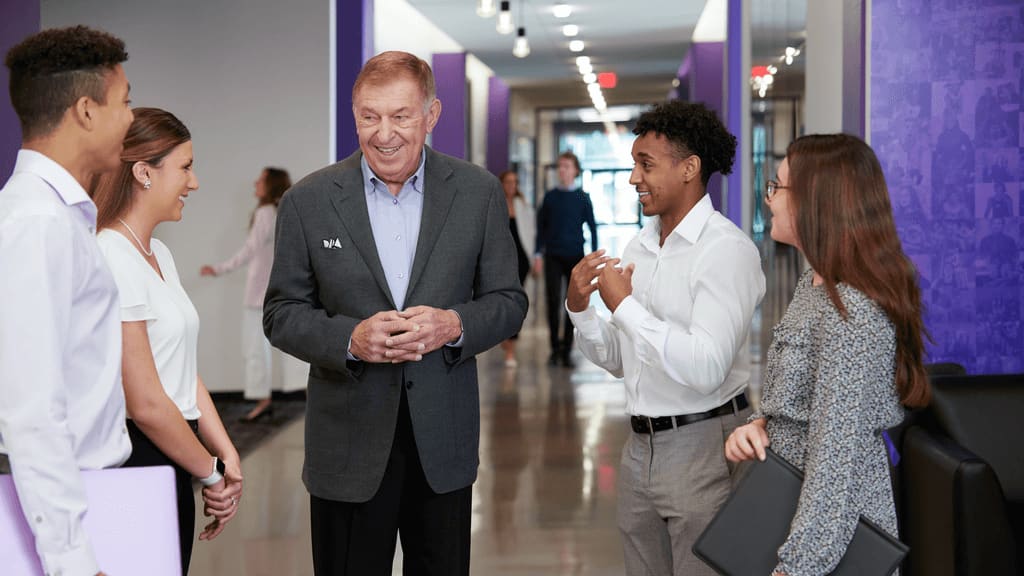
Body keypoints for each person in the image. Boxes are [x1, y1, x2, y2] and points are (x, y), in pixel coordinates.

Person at [262, 51, 528, 576]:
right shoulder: (308, 201)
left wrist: (455, 325)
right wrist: (349, 340)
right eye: (369, 116)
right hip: (347, 448)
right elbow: (282, 312)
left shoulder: (477, 194)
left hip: (442, 446)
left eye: (401, 116)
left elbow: (508, 301)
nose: (384, 133)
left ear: (431, 115)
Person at [567, 100, 765, 576]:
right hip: (639, 449)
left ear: (689, 169)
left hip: (704, 446)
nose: (634, 177)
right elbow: (621, 357)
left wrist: (625, 307)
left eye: (646, 165)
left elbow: (705, 367)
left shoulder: (726, 252)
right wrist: (580, 309)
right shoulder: (640, 245)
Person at [725, 133, 931, 576]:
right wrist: (760, 425)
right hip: (792, 516)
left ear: (815, 201)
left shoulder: (851, 312)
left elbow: (836, 460)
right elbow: (810, 407)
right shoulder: (814, 284)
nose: (770, 200)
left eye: (777, 188)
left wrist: (797, 567)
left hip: (830, 542)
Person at [0, 26, 134, 576]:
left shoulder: (58, 217)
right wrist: (72, 559)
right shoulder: (36, 223)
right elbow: (30, 407)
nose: (130, 116)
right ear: (85, 110)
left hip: (95, 499)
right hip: (72, 521)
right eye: (124, 101)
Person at [91, 107, 243, 575]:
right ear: (142, 173)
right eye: (185, 167)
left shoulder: (159, 254)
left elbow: (177, 366)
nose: (193, 183)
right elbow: (147, 403)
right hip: (136, 458)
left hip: (174, 454)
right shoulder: (109, 255)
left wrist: (225, 450)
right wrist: (210, 472)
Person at [200, 167, 291, 422]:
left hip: (257, 295)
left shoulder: (264, 213)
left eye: (260, 180)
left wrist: (219, 269)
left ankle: (263, 401)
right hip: (272, 292)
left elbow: (249, 251)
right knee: (272, 349)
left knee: (254, 350)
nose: (255, 183)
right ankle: (268, 400)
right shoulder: (279, 212)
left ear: (270, 184)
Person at [534, 151, 597, 367]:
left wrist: (594, 257)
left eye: (567, 166)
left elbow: (592, 227)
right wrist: (537, 254)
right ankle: (554, 349)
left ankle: (567, 349)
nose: (562, 170)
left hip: (575, 257)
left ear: (575, 171)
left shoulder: (582, 198)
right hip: (552, 255)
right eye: (560, 166)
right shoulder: (550, 197)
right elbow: (540, 228)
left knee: (571, 304)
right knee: (552, 302)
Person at [498, 169, 535, 367]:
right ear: (502, 184)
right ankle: (504, 334)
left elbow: (532, 233)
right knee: (503, 299)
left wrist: (536, 259)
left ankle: (511, 347)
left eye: (515, 182)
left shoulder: (524, 206)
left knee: (517, 300)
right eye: (508, 182)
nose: (512, 186)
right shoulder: (495, 204)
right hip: (502, 260)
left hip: (521, 258)